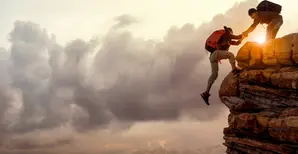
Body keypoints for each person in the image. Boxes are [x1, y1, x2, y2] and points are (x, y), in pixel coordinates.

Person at [201, 26, 243, 105]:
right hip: (216, 54)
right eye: (231, 33)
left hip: (213, 57)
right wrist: (241, 36)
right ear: (229, 31)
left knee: (214, 74)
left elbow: (236, 43)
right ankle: (234, 70)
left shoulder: (225, 40)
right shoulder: (226, 33)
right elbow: (236, 37)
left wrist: (241, 38)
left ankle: (206, 93)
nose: (231, 34)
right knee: (230, 55)